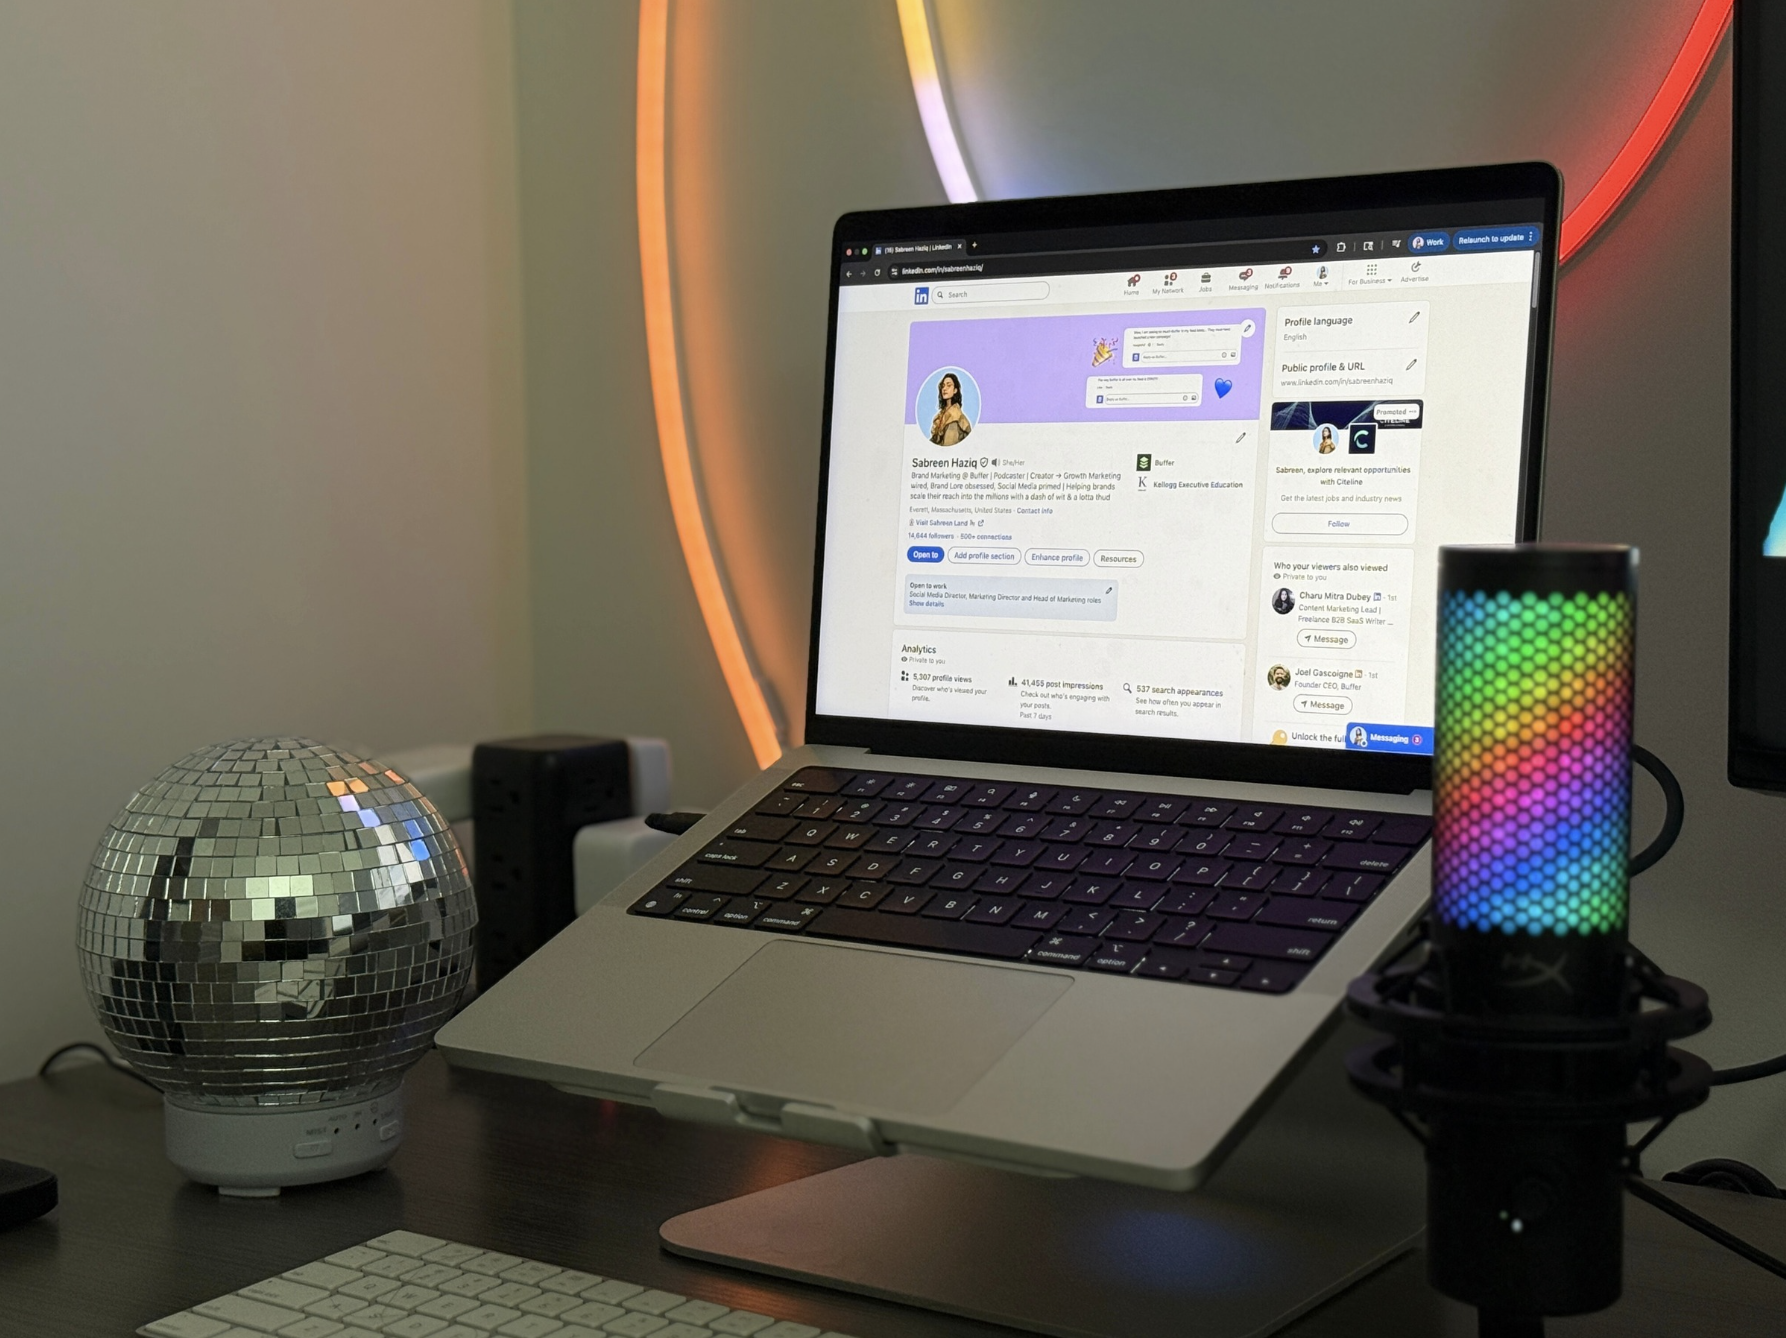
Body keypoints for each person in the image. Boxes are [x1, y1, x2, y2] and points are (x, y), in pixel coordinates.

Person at [931, 373, 973, 446]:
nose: (944, 389)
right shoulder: (940, 416)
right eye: (943, 386)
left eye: (949, 385)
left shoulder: (955, 417)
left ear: (955, 390)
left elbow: (949, 445)